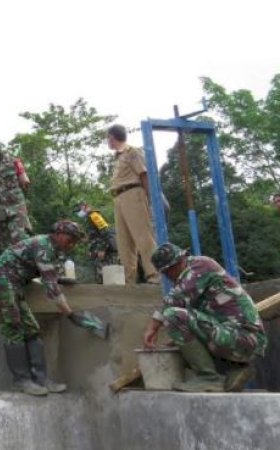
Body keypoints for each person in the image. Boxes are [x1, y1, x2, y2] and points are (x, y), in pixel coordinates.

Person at [142, 243, 266, 392]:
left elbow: (174, 301)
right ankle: (235, 369)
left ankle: (209, 378)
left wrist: (152, 327)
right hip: (235, 337)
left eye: (168, 272)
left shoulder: (200, 266)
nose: (169, 276)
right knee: (182, 342)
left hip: (245, 337)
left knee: (172, 315)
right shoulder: (193, 278)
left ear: (174, 266)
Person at [0, 220, 85, 396]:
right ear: (59, 234)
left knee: (32, 328)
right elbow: (51, 289)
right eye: (71, 239)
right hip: (2, 279)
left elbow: (46, 272)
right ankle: (21, 380)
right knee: (13, 326)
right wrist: (70, 314)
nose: (72, 244)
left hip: (16, 283)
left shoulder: (53, 249)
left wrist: (58, 278)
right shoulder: (43, 246)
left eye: (75, 241)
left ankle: (41, 379)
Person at [106, 124, 159, 285]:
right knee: (124, 243)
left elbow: (144, 175)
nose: (107, 141)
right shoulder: (119, 157)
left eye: (108, 137)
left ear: (112, 137)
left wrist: (150, 201)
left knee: (143, 236)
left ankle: (155, 275)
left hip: (133, 194)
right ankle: (130, 281)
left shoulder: (133, 152)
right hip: (119, 197)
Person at [74, 201, 118, 283]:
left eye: (78, 211)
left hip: (103, 250)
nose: (78, 213)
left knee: (107, 275)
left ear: (84, 207)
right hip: (96, 250)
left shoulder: (94, 215)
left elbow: (105, 231)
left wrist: (103, 249)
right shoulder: (88, 218)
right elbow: (93, 236)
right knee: (99, 276)